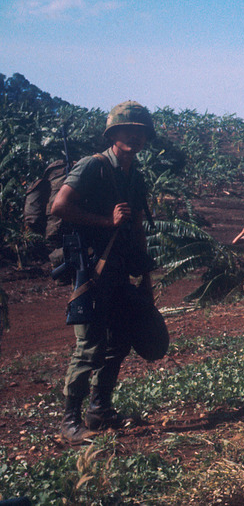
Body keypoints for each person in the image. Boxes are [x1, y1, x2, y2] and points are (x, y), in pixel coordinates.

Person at [51, 100, 164, 443]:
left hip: (120, 269)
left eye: (141, 131)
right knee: (89, 345)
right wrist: (106, 221)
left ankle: (99, 409)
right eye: (128, 130)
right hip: (92, 269)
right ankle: (69, 422)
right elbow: (59, 206)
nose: (135, 136)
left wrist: (145, 278)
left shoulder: (134, 176)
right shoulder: (93, 166)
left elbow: (138, 226)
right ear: (113, 134)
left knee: (119, 341)